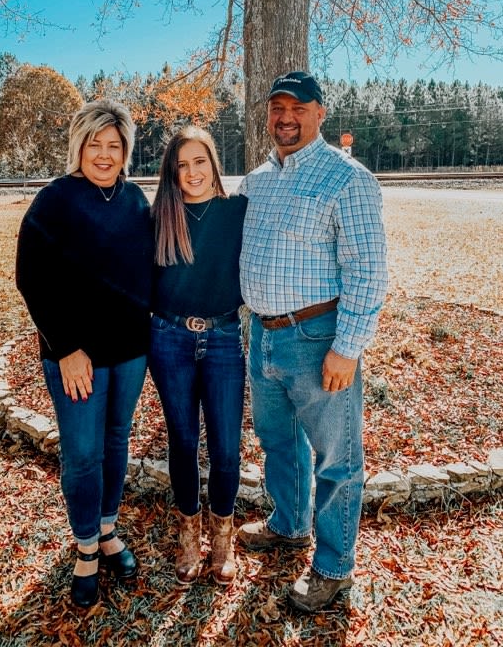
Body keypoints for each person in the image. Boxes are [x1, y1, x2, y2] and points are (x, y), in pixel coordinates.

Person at [237, 71, 388, 612]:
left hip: (319, 337)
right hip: (264, 334)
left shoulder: (348, 179)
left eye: (297, 107)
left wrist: (347, 348)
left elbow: (368, 273)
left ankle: (333, 566)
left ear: (320, 113)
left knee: (337, 459)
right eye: (277, 107)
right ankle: (289, 523)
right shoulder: (256, 181)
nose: (285, 117)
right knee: (278, 442)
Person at [15, 100, 153, 608]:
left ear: (125, 152)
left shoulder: (135, 200)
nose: (103, 153)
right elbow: (31, 279)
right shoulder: (56, 200)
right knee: (81, 452)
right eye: (94, 143)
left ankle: (109, 529)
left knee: (116, 441)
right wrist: (66, 347)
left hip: (131, 352)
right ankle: (86, 548)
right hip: (77, 358)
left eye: (113, 145)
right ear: (79, 145)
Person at [149, 126, 247, 586]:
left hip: (225, 338)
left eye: (200, 161)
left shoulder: (237, 212)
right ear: (173, 172)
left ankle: (222, 541)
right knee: (183, 442)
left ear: (214, 162)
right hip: (170, 340)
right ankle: (189, 534)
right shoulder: (160, 217)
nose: (192, 172)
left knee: (227, 448)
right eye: (182, 165)